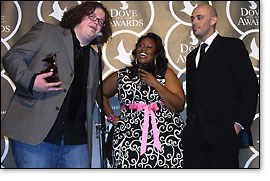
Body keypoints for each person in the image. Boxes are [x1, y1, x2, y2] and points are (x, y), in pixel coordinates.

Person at [1, 1, 112, 168]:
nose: (96, 23)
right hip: (36, 135)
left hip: (76, 142)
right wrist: (31, 81)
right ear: (78, 16)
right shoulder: (47, 32)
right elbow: (13, 57)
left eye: (101, 22)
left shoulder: (96, 61)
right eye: (92, 16)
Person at [182, 4, 259, 168]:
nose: (194, 22)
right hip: (195, 135)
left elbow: (250, 86)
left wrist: (239, 124)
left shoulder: (232, 47)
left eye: (199, 17)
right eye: (192, 18)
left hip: (224, 133)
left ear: (213, 20)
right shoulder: (192, 57)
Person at [96, 32, 185, 168]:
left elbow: (179, 105)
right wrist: (112, 118)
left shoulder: (165, 73)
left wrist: (155, 84)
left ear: (156, 54)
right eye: (141, 46)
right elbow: (99, 93)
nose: (143, 49)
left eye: (149, 47)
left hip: (165, 139)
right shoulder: (122, 75)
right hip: (128, 139)